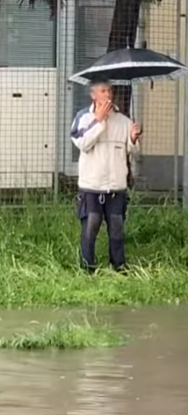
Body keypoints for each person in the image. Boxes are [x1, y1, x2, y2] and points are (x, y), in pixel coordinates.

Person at [70, 79, 141, 273]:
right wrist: (98, 121)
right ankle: (87, 267)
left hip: (116, 186)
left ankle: (118, 266)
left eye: (110, 90)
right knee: (90, 227)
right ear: (93, 95)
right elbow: (82, 142)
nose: (108, 94)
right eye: (103, 91)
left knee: (117, 228)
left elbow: (133, 151)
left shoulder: (123, 120)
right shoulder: (83, 118)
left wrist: (134, 139)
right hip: (91, 186)